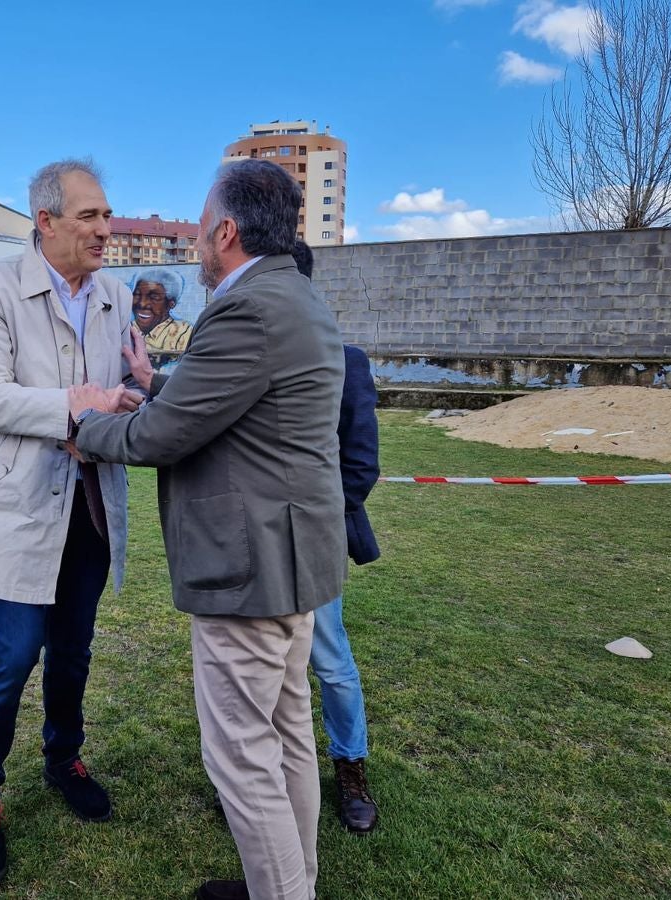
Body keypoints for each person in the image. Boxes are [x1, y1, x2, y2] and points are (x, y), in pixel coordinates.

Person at [70, 160, 347, 900]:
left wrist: (85, 426)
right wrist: (155, 383)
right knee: (285, 741)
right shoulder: (290, 295)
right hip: (291, 566)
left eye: (199, 225)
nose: (193, 240)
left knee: (243, 759)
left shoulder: (245, 308)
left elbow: (162, 438)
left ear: (225, 231)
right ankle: (292, 889)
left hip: (250, 571)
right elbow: (240, 400)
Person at [0, 158, 143, 885]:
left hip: (89, 507)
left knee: (73, 650)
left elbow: (123, 385)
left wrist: (114, 405)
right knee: (9, 658)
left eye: (105, 214)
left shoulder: (115, 294)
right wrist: (73, 406)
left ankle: (63, 758)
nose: (105, 228)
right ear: (47, 221)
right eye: (89, 216)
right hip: (21, 508)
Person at [291, 239, 382, 835]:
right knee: (266, 671)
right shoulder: (241, 354)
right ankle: (266, 778)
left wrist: (323, 519)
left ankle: (350, 764)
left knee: (330, 660)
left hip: (315, 541)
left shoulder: (344, 361)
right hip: (256, 547)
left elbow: (361, 461)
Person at [131, 268, 193, 357]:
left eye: (154, 297)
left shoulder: (184, 333)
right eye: (137, 295)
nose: (142, 303)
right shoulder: (125, 328)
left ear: (171, 304)